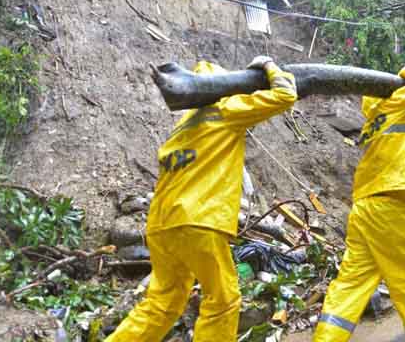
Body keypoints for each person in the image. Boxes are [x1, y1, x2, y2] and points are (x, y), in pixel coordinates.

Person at [107, 56, 297, 342]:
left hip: (160, 225)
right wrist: (270, 66)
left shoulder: (183, 124)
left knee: (161, 303)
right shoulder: (226, 109)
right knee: (223, 301)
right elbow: (285, 95)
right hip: (198, 220)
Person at [314, 65, 405, 342]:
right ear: (392, 93)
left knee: (350, 286)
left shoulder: (372, 125)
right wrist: (403, 74)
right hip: (392, 207)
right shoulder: (397, 105)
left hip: (365, 210)